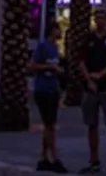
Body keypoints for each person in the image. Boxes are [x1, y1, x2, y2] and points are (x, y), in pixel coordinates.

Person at [79, 9, 106, 174]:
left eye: (102, 17)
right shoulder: (88, 39)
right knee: (92, 124)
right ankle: (94, 160)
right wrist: (89, 79)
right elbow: (81, 61)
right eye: (96, 18)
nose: (99, 21)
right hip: (90, 89)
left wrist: (100, 75)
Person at [30, 21, 67, 173]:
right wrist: (50, 67)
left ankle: (44, 157)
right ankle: (54, 157)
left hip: (53, 89)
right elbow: (32, 65)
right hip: (43, 90)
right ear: (52, 30)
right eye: (59, 29)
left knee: (49, 124)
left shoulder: (55, 48)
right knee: (49, 124)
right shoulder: (43, 46)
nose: (61, 33)